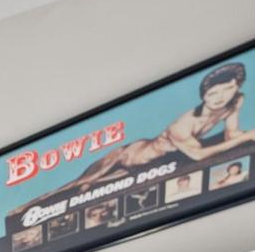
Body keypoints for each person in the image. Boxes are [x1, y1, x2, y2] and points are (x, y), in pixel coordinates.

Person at [49, 61, 254, 195]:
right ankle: (31, 205)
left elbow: (231, 134)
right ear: (204, 95)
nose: (221, 97)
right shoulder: (181, 125)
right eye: (213, 93)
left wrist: (242, 136)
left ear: (236, 87)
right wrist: (246, 138)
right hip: (134, 155)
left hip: (154, 165)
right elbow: (198, 155)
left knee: (102, 182)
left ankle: (92, 185)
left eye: (229, 89)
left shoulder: (236, 100)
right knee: (78, 183)